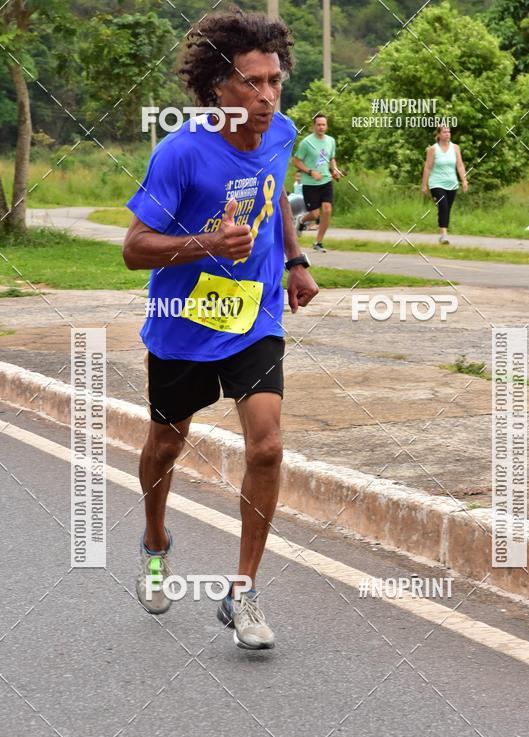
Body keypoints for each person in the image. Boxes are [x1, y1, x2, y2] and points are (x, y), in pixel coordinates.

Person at [122, 9, 318, 650]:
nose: (267, 96)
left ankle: (243, 591)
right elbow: (134, 248)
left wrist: (295, 261)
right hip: (183, 322)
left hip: (254, 315)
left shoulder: (282, 132)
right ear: (217, 88)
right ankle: (155, 540)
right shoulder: (180, 152)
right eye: (251, 83)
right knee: (166, 445)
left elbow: (276, 192)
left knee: (267, 446)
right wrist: (207, 244)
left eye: (275, 81)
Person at [293, 113, 343, 252]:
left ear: (326, 126)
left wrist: (335, 170)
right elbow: (296, 161)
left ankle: (318, 242)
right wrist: (310, 172)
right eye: (319, 124)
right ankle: (301, 221)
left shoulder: (331, 141)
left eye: (323, 124)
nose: (321, 127)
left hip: (326, 181)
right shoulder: (306, 143)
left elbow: (331, 158)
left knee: (327, 210)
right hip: (310, 184)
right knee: (315, 215)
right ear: (313, 126)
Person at [421, 124, 468, 244]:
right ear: (439, 134)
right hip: (436, 183)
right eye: (444, 132)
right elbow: (428, 167)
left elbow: (460, 165)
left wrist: (464, 180)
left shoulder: (455, 148)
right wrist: (424, 185)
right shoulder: (433, 149)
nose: (447, 134)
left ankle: (443, 232)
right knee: (443, 206)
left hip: (452, 184)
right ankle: (444, 235)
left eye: (449, 132)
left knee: (447, 209)